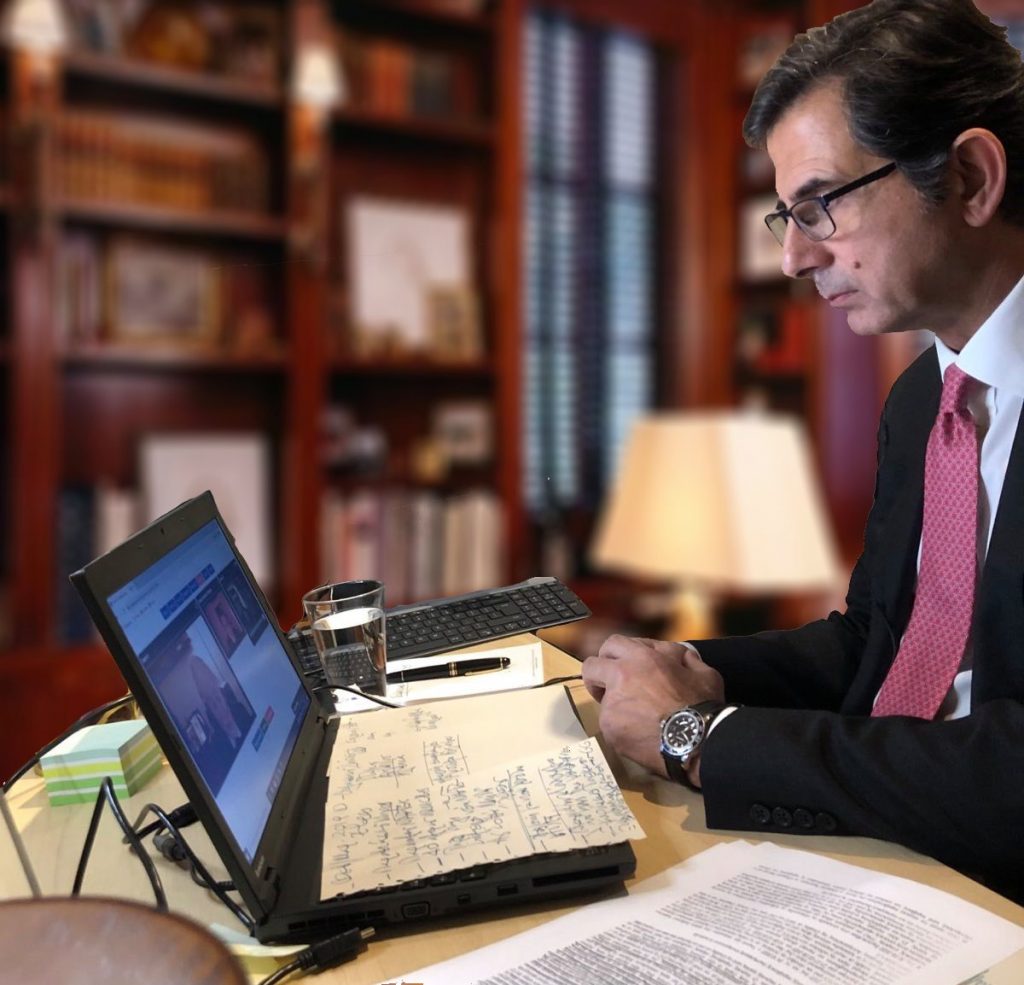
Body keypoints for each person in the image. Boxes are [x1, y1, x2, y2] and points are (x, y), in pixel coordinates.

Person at [582, 0, 1024, 904]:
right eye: (784, 216)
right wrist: (683, 669)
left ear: (972, 178)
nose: (792, 258)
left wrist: (700, 738)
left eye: (819, 205)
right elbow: (878, 641)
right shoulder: (924, 397)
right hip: (890, 857)